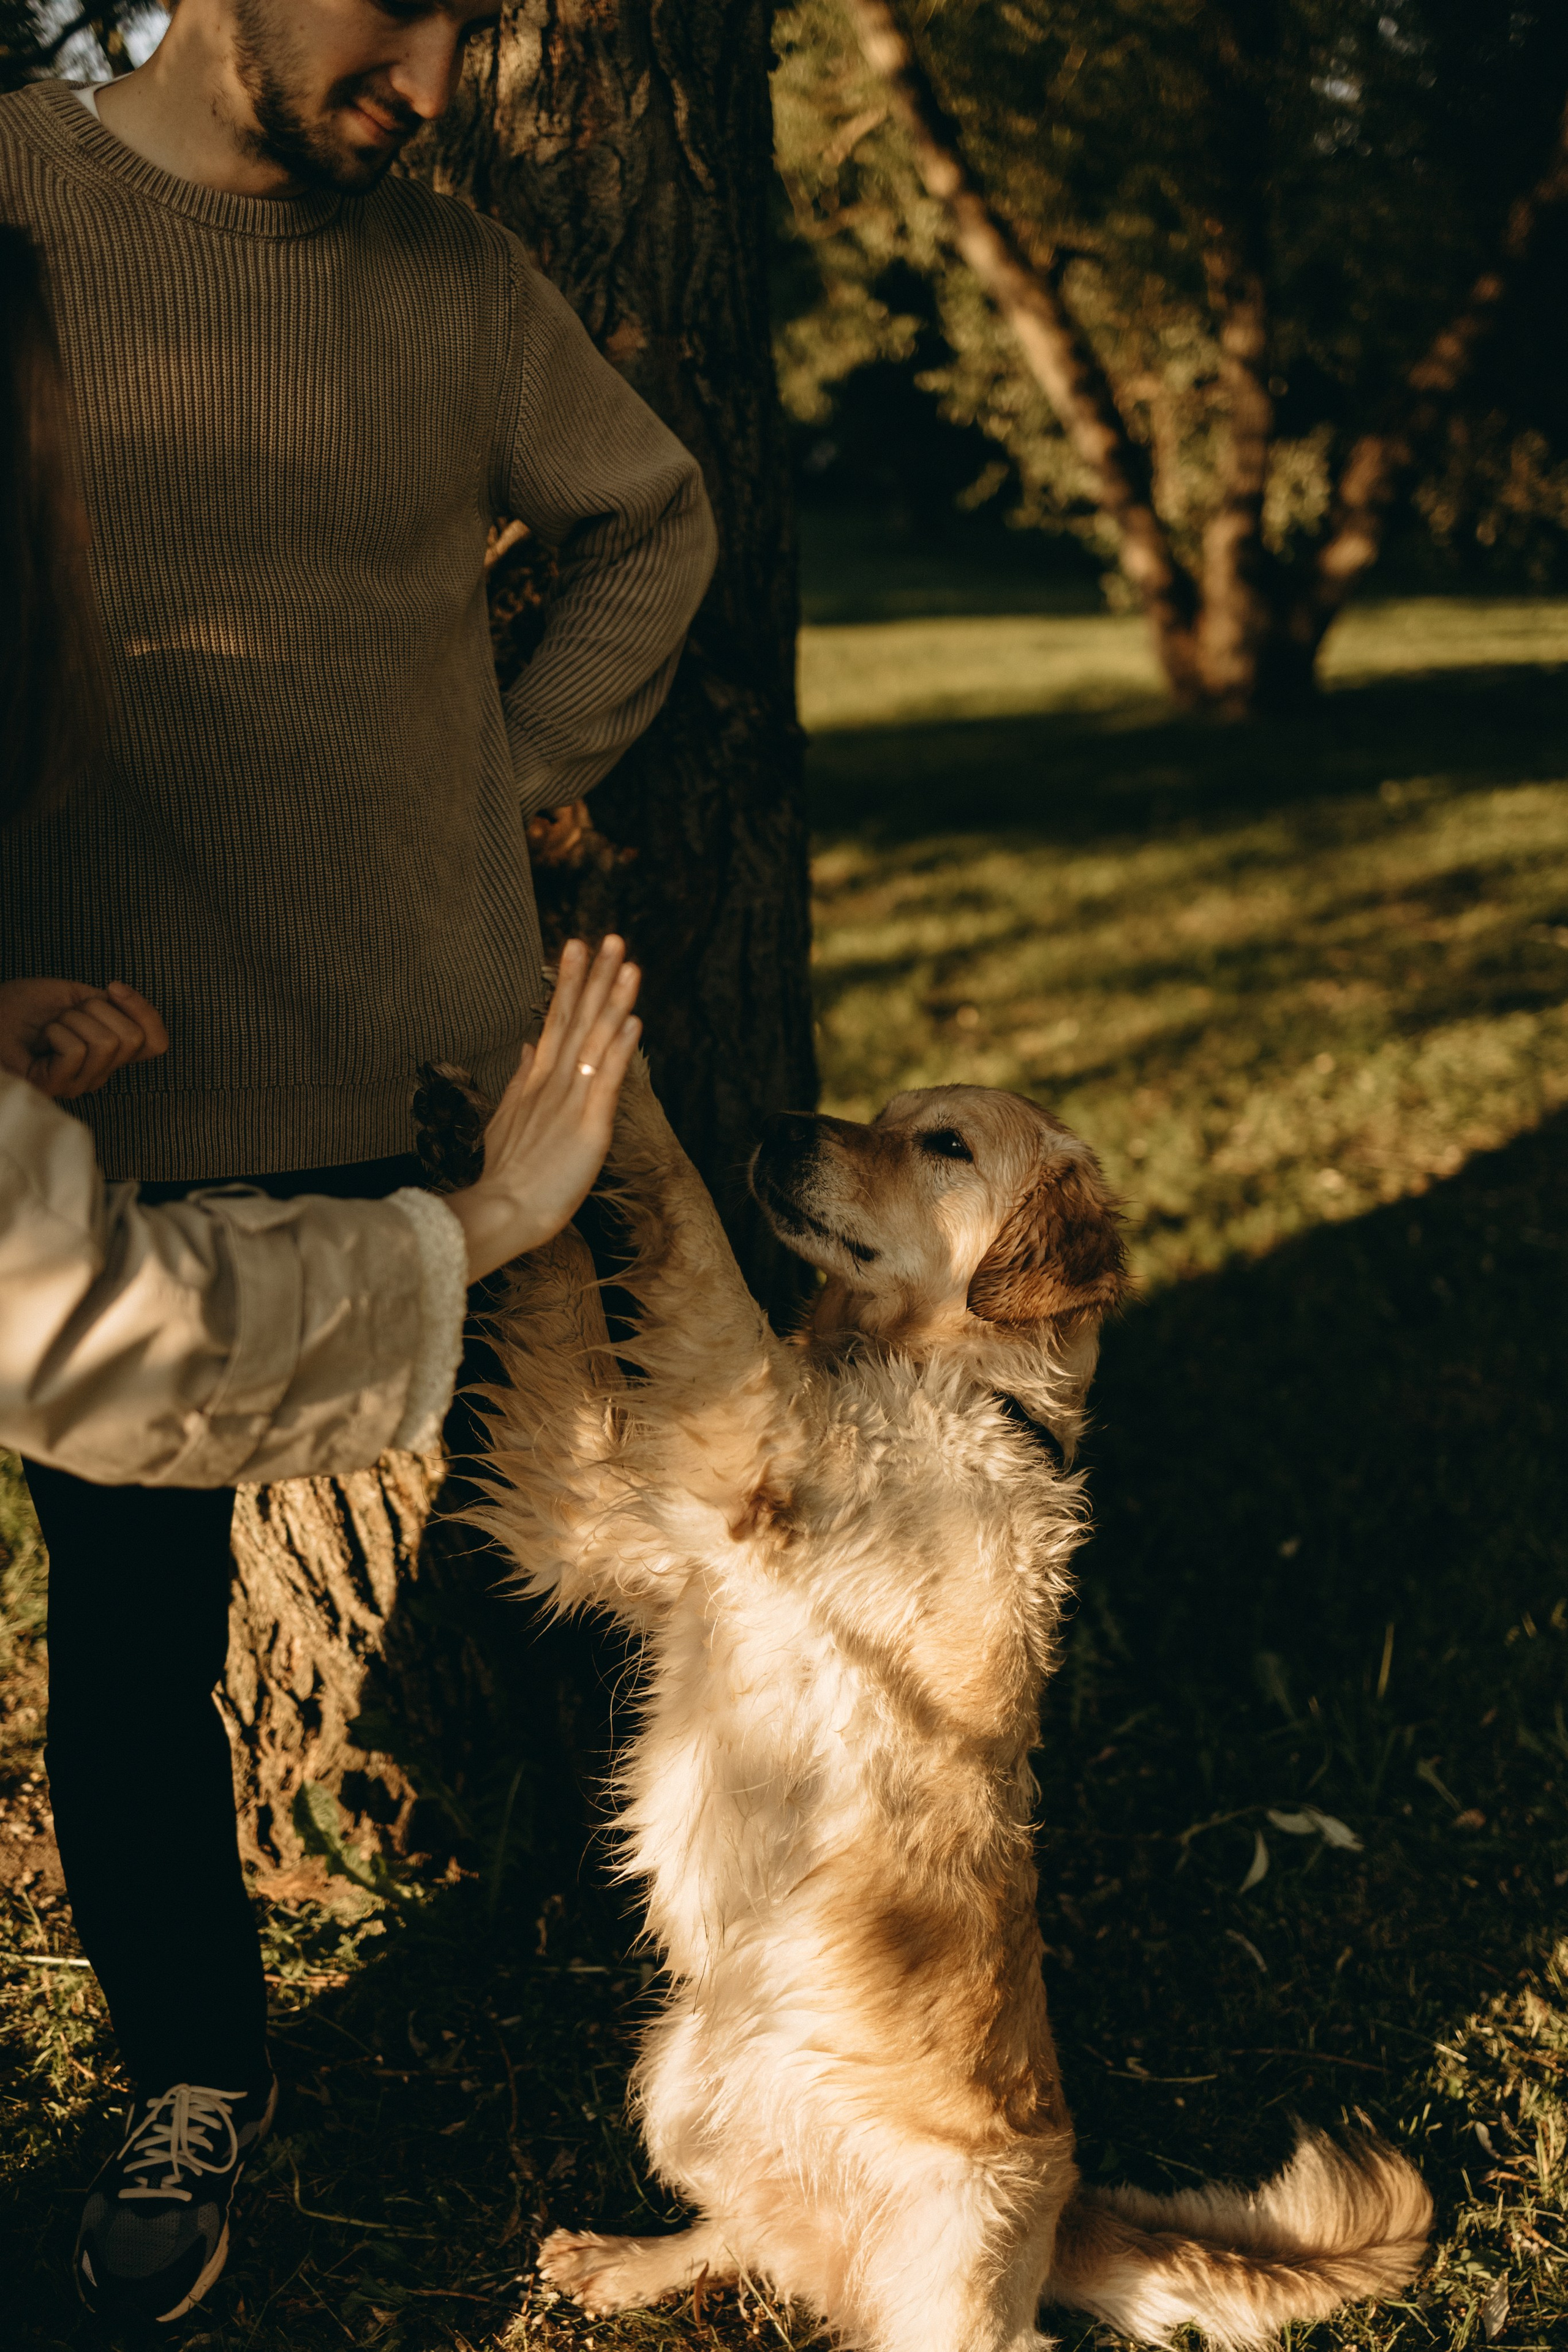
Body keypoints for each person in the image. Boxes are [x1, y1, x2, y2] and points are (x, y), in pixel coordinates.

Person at [0, 0, 714, 2324]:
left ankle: (716, 2008)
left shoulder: (447, 278)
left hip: (441, 1072)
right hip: (104, 1121)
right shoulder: (13, 211)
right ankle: (194, 2065)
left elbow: (652, 514)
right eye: (397, 10)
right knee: (135, 1646)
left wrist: (498, 777)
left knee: (612, 1549)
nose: (437, 72)